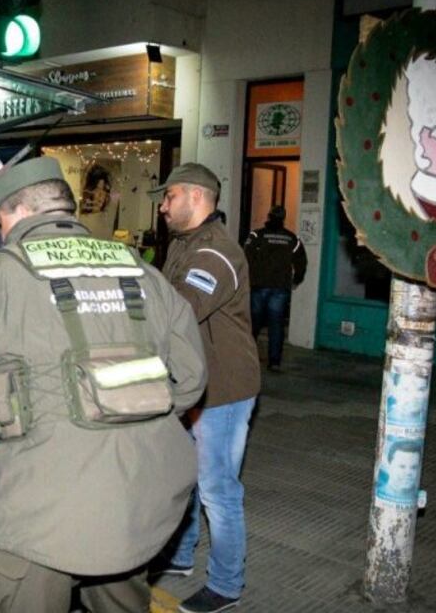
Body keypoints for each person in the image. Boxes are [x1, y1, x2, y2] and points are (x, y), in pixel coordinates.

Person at [0, 156, 208, 613]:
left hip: (39, 517)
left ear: (16, 213)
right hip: (139, 504)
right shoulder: (141, 271)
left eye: (1, 221)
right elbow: (192, 381)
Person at [148, 163, 261, 613]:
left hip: (224, 389)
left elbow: (182, 308)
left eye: (169, 196)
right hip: (193, 383)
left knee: (218, 487)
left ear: (196, 197)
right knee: (186, 476)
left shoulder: (215, 252)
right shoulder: (184, 244)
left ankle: (227, 585)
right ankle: (180, 555)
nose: (162, 205)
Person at [243, 205, 307, 370]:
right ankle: (274, 362)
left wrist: (246, 278)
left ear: (269, 216)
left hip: (258, 285)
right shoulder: (291, 238)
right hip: (280, 287)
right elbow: (301, 261)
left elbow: (245, 256)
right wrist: (296, 279)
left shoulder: (257, 235)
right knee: (276, 325)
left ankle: (247, 358)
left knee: (253, 324)